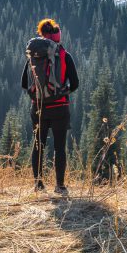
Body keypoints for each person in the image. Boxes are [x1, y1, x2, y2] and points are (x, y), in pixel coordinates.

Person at [21, 18, 79, 195]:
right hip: (60, 107)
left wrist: (38, 96)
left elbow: (24, 83)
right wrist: (62, 92)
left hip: (38, 108)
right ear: (57, 36)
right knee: (59, 147)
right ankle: (60, 186)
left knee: (38, 145)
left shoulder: (34, 57)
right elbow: (75, 83)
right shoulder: (64, 55)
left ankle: (38, 185)